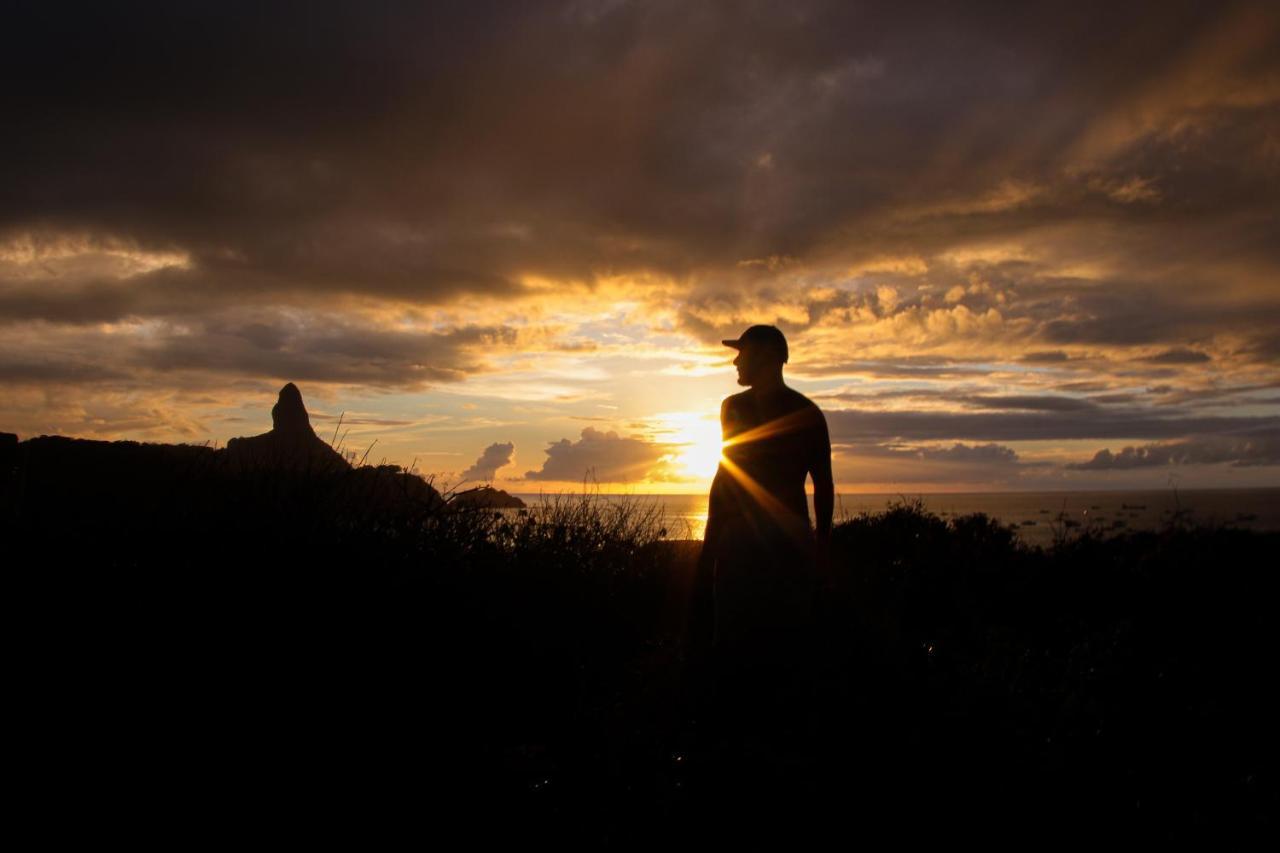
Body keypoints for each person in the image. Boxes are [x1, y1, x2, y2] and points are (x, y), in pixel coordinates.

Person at [689, 324, 833, 773]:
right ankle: (735, 752)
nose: (735, 361)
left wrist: (820, 549)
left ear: (768, 356)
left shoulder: (806, 413)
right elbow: (725, 475)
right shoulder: (738, 408)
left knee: (777, 648)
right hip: (746, 546)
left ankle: (773, 754)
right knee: (735, 648)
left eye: (742, 353)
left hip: (776, 549)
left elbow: (823, 486)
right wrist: (710, 546)